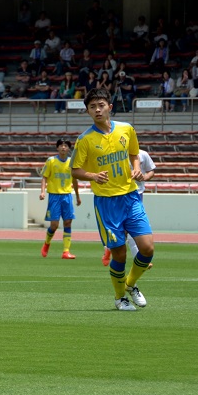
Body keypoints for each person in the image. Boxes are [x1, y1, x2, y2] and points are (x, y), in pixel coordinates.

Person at [71, 88, 154, 311]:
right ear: (87, 111)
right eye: (92, 107)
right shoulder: (85, 140)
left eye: (101, 105)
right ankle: (120, 298)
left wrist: (136, 169)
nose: (97, 109)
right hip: (107, 202)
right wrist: (93, 176)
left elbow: (135, 154)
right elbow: (75, 170)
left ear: (110, 106)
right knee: (119, 252)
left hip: (131, 196)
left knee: (147, 248)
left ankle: (130, 284)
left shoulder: (127, 129)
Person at [39, 139, 82, 260]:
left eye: (66, 146)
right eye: (61, 145)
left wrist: (78, 196)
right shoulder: (51, 161)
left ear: (69, 149)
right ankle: (47, 243)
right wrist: (42, 192)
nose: (63, 147)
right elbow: (44, 177)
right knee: (54, 225)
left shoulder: (71, 162)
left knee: (68, 222)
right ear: (57, 148)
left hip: (67, 196)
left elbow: (75, 180)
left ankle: (66, 251)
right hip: (54, 196)